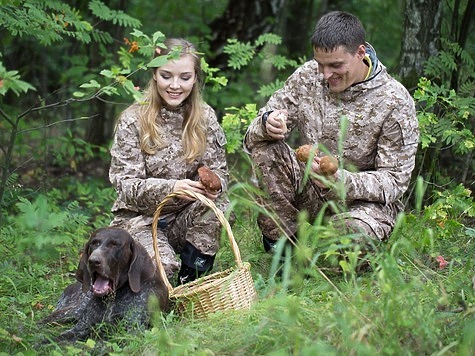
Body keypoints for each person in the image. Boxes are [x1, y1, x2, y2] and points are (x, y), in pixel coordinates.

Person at [244, 11, 419, 264]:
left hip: (361, 207)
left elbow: (395, 182)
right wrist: (266, 124)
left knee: (340, 252)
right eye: (320, 64)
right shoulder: (307, 76)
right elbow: (253, 136)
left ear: (360, 53)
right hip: (309, 192)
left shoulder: (394, 101)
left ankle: (323, 253)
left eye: (336, 65)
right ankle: (284, 245)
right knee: (267, 149)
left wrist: (342, 181)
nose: (325, 74)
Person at [109, 38, 230, 284]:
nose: (175, 85)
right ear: (155, 75)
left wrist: (215, 186)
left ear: (195, 78)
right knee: (161, 273)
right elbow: (124, 184)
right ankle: (155, 271)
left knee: (219, 207)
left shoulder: (204, 116)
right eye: (166, 76)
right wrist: (172, 188)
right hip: (140, 219)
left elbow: (220, 170)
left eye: (184, 78)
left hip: (183, 217)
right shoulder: (133, 119)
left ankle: (193, 277)